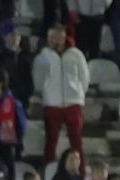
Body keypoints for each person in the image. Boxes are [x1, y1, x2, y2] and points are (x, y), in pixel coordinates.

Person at [33, 23, 87, 163]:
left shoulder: (76, 54)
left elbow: (84, 77)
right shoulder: (43, 56)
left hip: (73, 102)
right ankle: (48, 170)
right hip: (52, 104)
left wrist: (78, 93)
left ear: (63, 37)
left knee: (76, 140)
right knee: (51, 140)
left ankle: (79, 172)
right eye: (50, 37)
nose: (52, 40)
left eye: (56, 37)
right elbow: (38, 79)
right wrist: (47, 93)